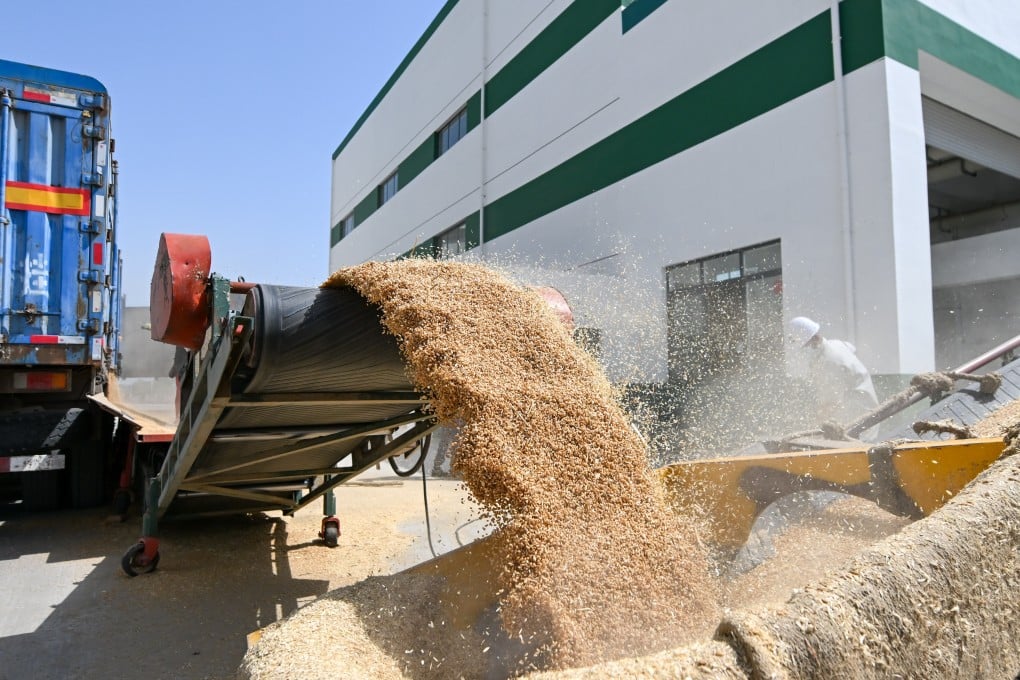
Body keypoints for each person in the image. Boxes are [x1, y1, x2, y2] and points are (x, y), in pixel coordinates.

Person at [789, 316, 879, 424]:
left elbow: (831, 402)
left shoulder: (827, 362)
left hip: (859, 416)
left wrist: (816, 425)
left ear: (814, 340)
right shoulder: (836, 344)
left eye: (805, 346)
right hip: (868, 406)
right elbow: (852, 350)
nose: (804, 351)